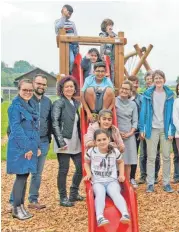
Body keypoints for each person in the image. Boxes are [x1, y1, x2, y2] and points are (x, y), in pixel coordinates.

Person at [8, 74, 52, 211]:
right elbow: (15, 126)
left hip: (41, 141)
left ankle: (31, 200)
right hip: (26, 143)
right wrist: (23, 145)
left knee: (35, 173)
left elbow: (46, 121)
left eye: (44, 84)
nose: (41, 86)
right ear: (33, 84)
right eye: (38, 83)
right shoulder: (21, 102)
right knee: (22, 173)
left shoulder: (46, 102)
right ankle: (14, 203)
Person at [7, 79, 40, 220]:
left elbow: (34, 128)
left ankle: (21, 206)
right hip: (20, 147)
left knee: (25, 176)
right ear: (19, 90)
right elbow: (16, 129)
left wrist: (36, 146)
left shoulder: (30, 105)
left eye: (30, 90)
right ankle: (16, 208)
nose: (28, 93)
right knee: (21, 177)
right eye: (25, 90)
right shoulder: (14, 107)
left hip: (30, 147)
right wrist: (26, 148)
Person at [84, 129, 130, 227]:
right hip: (97, 182)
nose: (102, 142)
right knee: (100, 194)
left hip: (112, 180)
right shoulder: (91, 151)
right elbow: (86, 163)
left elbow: (121, 162)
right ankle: (100, 217)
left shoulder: (114, 151)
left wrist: (121, 174)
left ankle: (125, 214)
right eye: (99, 140)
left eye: (104, 139)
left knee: (115, 193)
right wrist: (88, 174)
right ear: (95, 142)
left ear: (109, 139)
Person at [139, 70, 175, 193]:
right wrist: (142, 128)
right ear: (153, 80)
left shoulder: (170, 94)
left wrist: (171, 130)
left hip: (165, 129)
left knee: (166, 156)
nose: (158, 80)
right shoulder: (148, 94)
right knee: (151, 157)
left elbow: (172, 115)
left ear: (164, 80)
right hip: (152, 128)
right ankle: (150, 183)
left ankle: (166, 183)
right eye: (156, 78)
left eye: (160, 78)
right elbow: (143, 112)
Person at [52, 76, 84, 207]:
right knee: (64, 169)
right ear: (62, 89)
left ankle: (74, 192)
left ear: (75, 88)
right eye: (67, 87)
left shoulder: (76, 103)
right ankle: (63, 197)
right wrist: (60, 142)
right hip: (64, 140)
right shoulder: (59, 103)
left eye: (71, 86)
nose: (69, 89)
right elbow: (54, 122)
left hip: (75, 140)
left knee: (80, 168)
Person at [137, 71, 161, 185]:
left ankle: (154, 175)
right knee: (143, 153)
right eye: (147, 79)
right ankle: (143, 175)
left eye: (151, 79)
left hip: (156, 126)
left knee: (155, 153)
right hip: (145, 127)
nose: (149, 81)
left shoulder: (159, 94)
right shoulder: (142, 95)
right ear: (145, 81)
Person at [116, 81, 138, 181]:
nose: (124, 91)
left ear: (130, 92)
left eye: (127, 89)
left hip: (129, 134)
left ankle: (128, 181)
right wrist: (118, 132)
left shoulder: (133, 104)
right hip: (116, 133)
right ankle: (117, 181)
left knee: (128, 160)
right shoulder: (114, 101)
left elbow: (135, 121)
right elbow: (111, 118)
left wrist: (130, 133)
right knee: (117, 159)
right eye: (122, 88)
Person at [54, 4, 78, 74]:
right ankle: (69, 74)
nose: (69, 15)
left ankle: (72, 74)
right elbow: (60, 26)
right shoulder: (57, 21)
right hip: (67, 45)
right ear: (63, 10)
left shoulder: (72, 23)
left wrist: (77, 45)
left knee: (75, 63)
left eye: (71, 14)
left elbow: (75, 34)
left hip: (74, 45)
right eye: (68, 13)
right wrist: (63, 16)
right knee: (71, 61)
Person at [128, 76, 142, 188]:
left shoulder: (139, 98)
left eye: (136, 83)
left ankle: (132, 177)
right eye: (132, 82)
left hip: (135, 131)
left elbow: (141, 115)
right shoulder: (122, 97)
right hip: (123, 130)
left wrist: (140, 130)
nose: (134, 85)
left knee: (133, 154)